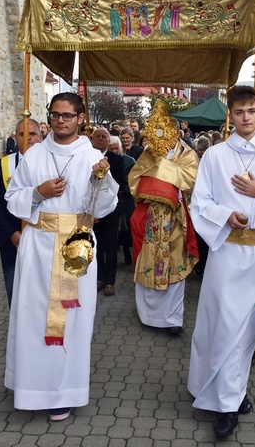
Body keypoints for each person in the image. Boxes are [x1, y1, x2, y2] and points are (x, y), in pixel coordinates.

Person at [187, 86, 255, 439]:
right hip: (225, 253)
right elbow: (199, 202)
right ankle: (222, 396)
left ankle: (229, 397)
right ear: (230, 116)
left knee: (245, 330)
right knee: (219, 324)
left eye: (252, 110)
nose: (247, 118)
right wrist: (225, 215)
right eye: (240, 112)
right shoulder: (216, 156)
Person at [4, 92, 119, 421]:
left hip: (76, 245)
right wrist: (38, 194)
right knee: (32, 317)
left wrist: (101, 178)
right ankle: (30, 386)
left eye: (67, 115)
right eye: (55, 115)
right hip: (37, 246)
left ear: (80, 118)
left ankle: (62, 393)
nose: (60, 120)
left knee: (72, 321)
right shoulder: (35, 154)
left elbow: (104, 206)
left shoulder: (92, 155)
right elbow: (13, 198)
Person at [128, 101, 199, 336]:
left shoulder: (188, 155)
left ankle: (172, 319)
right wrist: (159, 172)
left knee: (174, 267)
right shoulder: (149, 153)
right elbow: (135, 179)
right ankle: (147, 315)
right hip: (150, 220)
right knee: (149, 263)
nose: (164, 139)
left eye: (169, 133)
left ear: (177, 133)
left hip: (177, 220)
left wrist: (161, 171)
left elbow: (191, 181)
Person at [0, 119, 42, 306]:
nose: (28, 139)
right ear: (15, 137)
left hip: (44, 237)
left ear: (41, 136)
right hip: (12, 241)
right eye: (23, 134)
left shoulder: (53, 164)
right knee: (15, 291)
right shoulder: (2, 166)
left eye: (33, 134)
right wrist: (11, 233)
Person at [91, 127, 126, 295]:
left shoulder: (117, 160)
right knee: (96, 244)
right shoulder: (87, 158)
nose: (100, 139)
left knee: (110, 245)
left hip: (111, 208)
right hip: (92, 209)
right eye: (97, 136)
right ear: (92, 140)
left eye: (103, 136)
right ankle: (98, 277)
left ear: (108, 140)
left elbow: (120, 183)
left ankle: (110, 281)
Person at [109, 136, 136, 265]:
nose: (114, 151)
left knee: (127, 226)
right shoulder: (105, 160)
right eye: (112, 148)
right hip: (113, 198)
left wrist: (123, 189)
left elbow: (133, 179)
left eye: (116, 148)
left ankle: (127, 251)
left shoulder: (129, 161)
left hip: (127, 198)